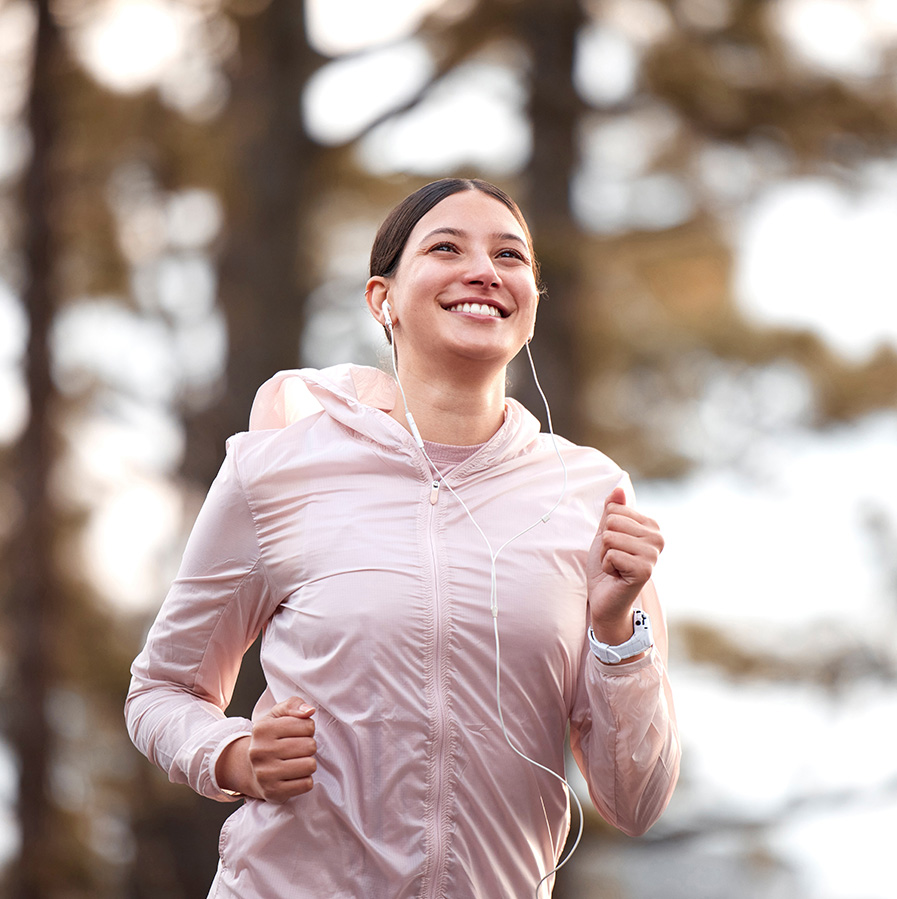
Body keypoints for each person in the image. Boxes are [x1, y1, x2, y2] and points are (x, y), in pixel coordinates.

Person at [126, 178, 680, 898]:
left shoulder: (589, 493)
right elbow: (161, 690)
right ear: (380, 299)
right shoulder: (276, 469)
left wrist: (615, 629)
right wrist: (232, 755)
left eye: (509, 255)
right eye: (446, 248)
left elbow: (636, 800)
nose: (483, 270)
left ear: (532, 306)